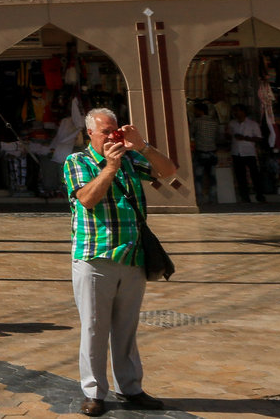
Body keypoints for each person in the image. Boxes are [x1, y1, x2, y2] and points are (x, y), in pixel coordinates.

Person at [64, 107, 177, 415]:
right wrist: (109, 168)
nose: (112, 136)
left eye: (115, 130)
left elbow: (169, 172)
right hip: (95, 257)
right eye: (105, 132)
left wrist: (142, 146)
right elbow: (86, 199)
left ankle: (131, 387)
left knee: (126, 328)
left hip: (133, 255)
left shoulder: (130, 159)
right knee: (94, 328)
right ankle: (94, 392)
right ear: (90, 134)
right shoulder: (78, 161)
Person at [227, 103, 263, 202]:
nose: (236, 113)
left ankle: (259, 195)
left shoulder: (252, 124)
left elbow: (259, 138)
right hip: (236, 152)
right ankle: (245, 197)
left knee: (254, 175)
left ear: (243, 112)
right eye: (235, 111)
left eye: (238, 110)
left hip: (249, 152)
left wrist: (246, 138)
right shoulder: (232, 123)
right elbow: (228, 135)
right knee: (240, 176)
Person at [190, 101, 222, 205]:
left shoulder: (196, 122)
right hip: (212, 152)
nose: (194, 112)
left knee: (198, 177)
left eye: (195, 110)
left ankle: (199, 199)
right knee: (212, 178)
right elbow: (219, 137)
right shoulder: (214, 122)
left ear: (200, 110)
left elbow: (190, 134)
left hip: (200, 152)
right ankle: (213, 198)